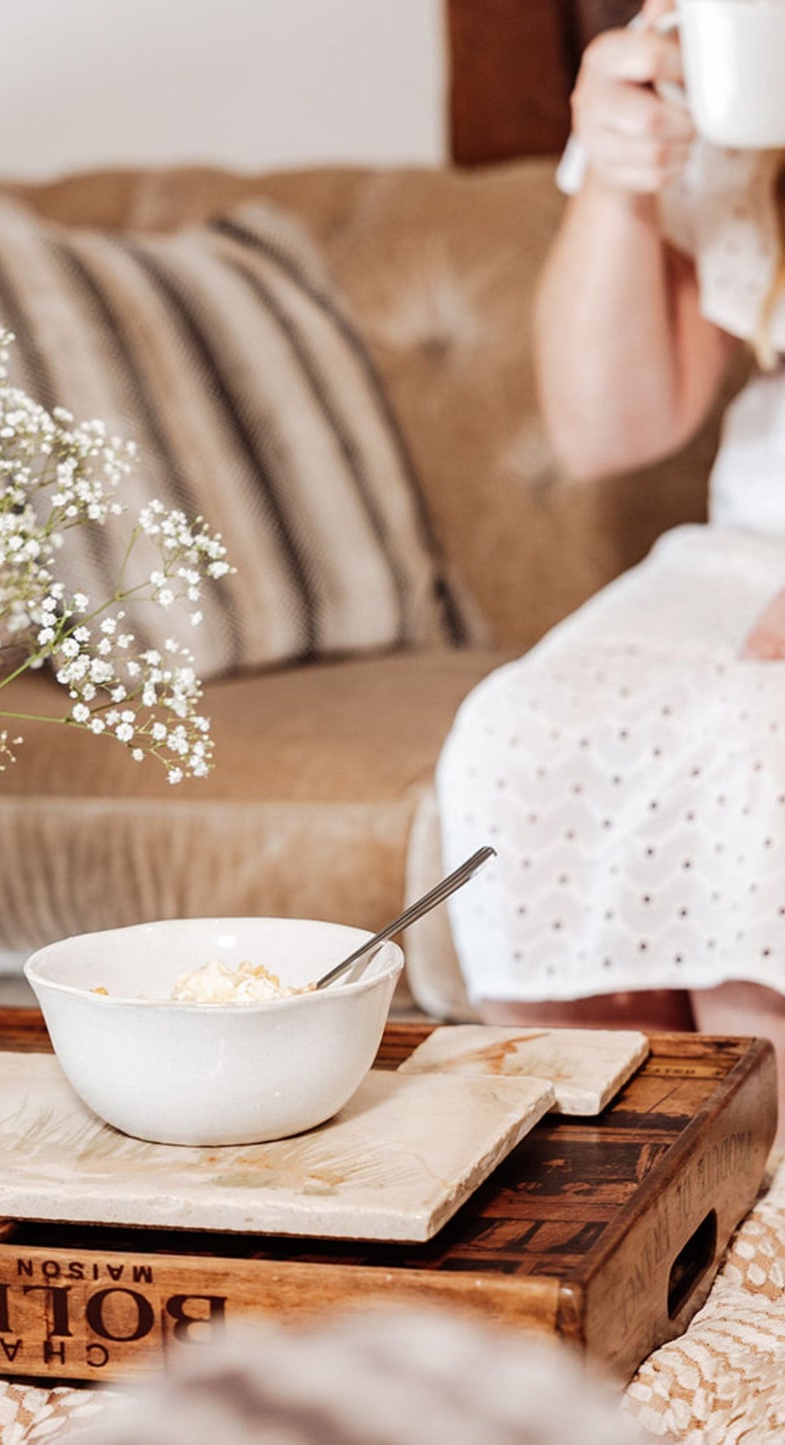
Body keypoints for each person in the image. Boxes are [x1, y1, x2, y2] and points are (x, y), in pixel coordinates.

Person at [435, 0, 785, 1135]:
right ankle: (620, 1216)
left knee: (758, 741)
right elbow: (604, 427)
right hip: (750, 543)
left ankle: (761, 1240)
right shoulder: (738, 52)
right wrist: (617, 175)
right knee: (519, 729)